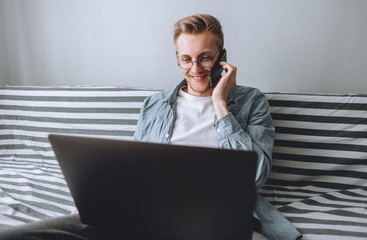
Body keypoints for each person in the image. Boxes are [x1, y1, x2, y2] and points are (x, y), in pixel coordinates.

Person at [0, 14, 302, 240]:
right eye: (186, 59)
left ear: (222, 56)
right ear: (178, 59)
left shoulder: (251, 101)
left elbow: (257, 174)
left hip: (215, 211)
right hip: (150, 204)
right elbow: (134, 164)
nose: (194, 69)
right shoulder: (154, 105)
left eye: (205, 58)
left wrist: (220, 104)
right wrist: (99, 198)